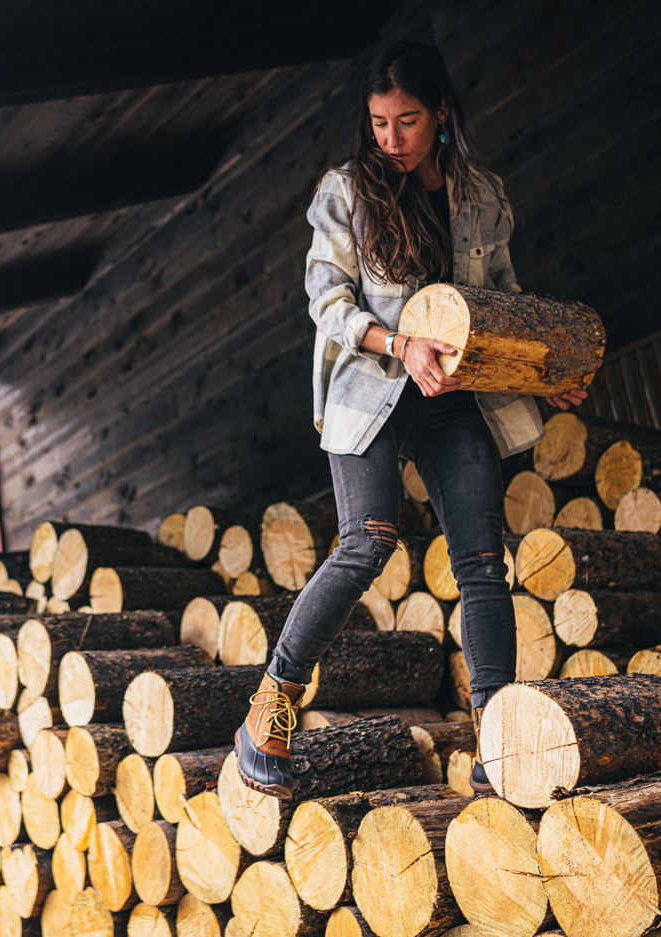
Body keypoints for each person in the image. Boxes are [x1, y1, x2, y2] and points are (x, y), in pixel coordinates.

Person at [233, 41, 586, 799]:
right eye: (377, 122)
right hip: (370, 386)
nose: (389, 139)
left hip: (454, 397)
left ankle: (497, 741)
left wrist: (539, 370)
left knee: (481, 562)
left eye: (406, 121)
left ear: (442, 116)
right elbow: (327, 304)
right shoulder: (344, 192)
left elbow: (503, 299)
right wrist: (398, 341)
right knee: (365, 543)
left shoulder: (483, 195)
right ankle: (271, 707)